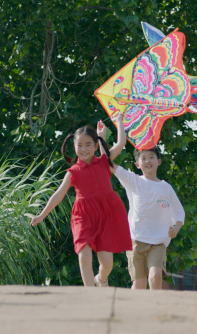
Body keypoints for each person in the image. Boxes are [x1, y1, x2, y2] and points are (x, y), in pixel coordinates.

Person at [31, 113, 131, 287]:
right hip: (83, 217)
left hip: (107, 214)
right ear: (74, 146)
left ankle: (101, 280)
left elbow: (121, 143)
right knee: (84, 256)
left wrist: (119, 122)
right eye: (79, 145)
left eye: (88, 145)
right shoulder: (73, 172)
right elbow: (58, 194)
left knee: (107, 263)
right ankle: (90, 296)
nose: (83, 149)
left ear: (95, 146)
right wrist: (41, 215)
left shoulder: (103, 162)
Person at [98, 124, 185, 290]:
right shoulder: (133, 181)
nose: (147, 161)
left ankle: (154, 311)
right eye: (143, 158)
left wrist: (176, 227)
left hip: (158, 242)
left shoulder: (166, 187)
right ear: (137, 164)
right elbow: (107, 164)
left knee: (155, 276)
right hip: (136, 240)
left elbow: (179, 213)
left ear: (158, 161)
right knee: (138, 285)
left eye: (151, 157)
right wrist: (101, 137)